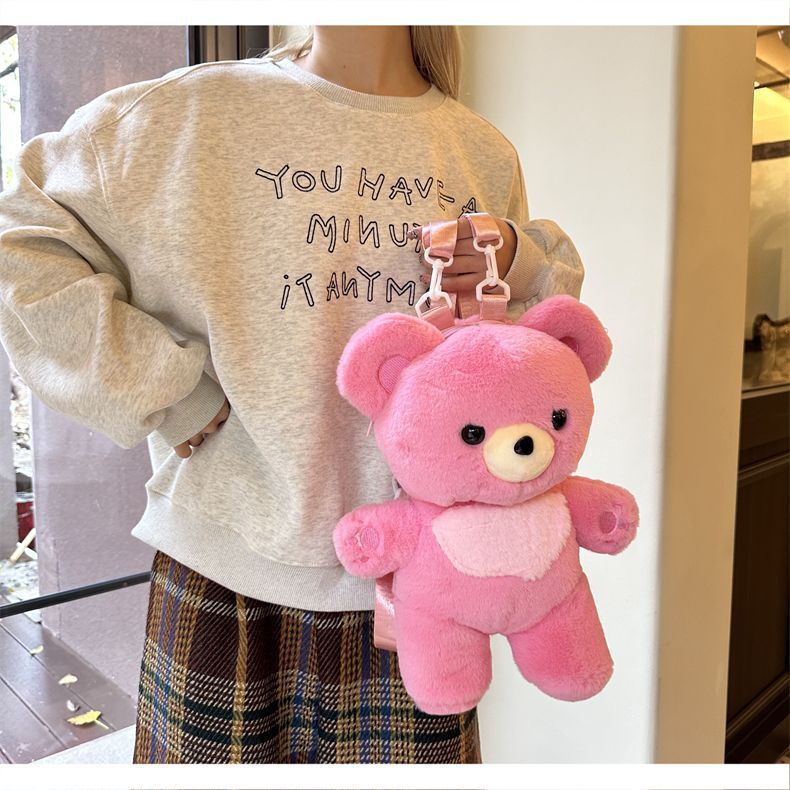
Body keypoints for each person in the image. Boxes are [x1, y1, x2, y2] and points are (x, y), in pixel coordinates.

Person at [0, 25, 584, 763]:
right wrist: (170, 394)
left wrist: (517, 255)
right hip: (230, 571)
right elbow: (19, 239)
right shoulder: (193, 113)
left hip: (422, 589)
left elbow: (525, 360)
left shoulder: (480, 151)